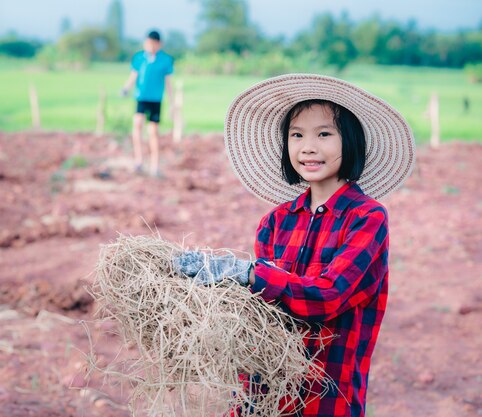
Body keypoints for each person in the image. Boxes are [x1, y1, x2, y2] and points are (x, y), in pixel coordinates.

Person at [173, 74, 416, 417]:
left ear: (351, 141)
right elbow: (264, 313)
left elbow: (328, 295)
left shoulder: (367, 219)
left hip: (326, 398)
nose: (308, 147)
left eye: (324, 134)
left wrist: (249, 275)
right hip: (265, 397)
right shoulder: (275, 222)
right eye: (297, 135)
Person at [121, 30, 174, 177]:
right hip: (141, 98)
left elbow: (168, 83)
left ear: (159, 44)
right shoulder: (139, 58)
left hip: (156, 100)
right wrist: (126, 88)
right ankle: (139, 160)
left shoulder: (165, 60)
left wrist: (172, 103)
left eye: (152, 43)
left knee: (153, 132)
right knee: (137, 124)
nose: (149, 46)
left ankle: (154, 165)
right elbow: (133, 75)